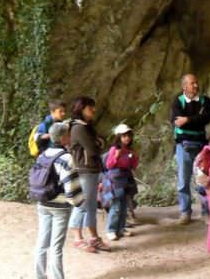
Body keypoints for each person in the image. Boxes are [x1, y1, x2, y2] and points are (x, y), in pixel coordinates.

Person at [170, 74, 210, 225]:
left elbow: (206, 118)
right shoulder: (178, 101)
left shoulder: (205, 101)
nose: (196, 85)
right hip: (183, 145)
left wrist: (188, 119)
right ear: (184, 86)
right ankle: (185, 212)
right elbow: (177, 122)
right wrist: (196, 119)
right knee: (183, 180)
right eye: (192, 83)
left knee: (203, 179)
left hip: (201, 145)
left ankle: (206, 212)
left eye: (196, 82)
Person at [68, 96, 109, 253]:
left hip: (91, 168)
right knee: (82, 204)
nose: (93, 110)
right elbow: (94, 149)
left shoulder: (87, 126)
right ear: (81, 109)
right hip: (84, 169)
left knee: (91, 205)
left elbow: (100, 143)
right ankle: (77, 238)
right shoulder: (79, 128)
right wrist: (97, 143)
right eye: (90, 107)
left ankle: (93, 237)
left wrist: (98, 143)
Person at [34, 122, 75, 279]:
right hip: (60, 206)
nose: (70, 137)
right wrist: (76, 202)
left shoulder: (43, 155)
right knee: (56, 247)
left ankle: (40, 276)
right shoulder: (66, 158)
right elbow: (71, 185)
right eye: (69, 135)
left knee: (42, 243)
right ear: (64, 137)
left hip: (42, 202)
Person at [103, 124, 139, 241]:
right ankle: (111, 230)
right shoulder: (114, 149)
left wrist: (135, 158)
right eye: (124, 136)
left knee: (124, 206)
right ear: (118, 137)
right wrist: (116, 157)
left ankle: (121, 229)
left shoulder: (129, 150)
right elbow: (109, 165)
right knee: (116, 206)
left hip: (126, 179)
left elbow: (133, 166)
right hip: (116, 179)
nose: (127, 138)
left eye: (128, 135)